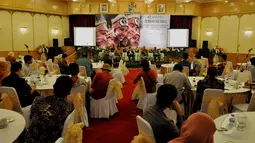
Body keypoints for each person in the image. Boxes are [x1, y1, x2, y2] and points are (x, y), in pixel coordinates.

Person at [25, 76, 73, 143]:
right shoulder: (67, 108)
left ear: (53, 86)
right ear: (69, 92)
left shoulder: (38, 100)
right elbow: (60, 129)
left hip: (29, 138)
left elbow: (31, 115)